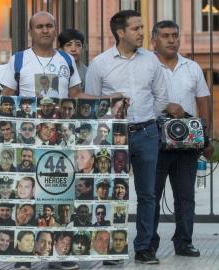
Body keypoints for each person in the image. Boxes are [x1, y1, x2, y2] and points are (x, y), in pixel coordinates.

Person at [85, 10, 172, 264]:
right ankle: (111, 248)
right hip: (113, 136)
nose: (142, 33)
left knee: (148, 193)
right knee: (111, 193)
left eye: (142, 27)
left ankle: (144, 248)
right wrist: (112, 106)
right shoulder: (100, 63)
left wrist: (145, 119)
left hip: (146, 132)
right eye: (136, 28)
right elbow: (92, 103)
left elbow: (162, 98)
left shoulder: (152, 61)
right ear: (120, 32)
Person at [1, 10, 83, 270]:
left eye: (50, 26)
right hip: (26, 141)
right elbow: (5, 100)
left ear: (55, 29)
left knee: (59, 195)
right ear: (31, 31)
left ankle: (59, 253)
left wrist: (112, 101)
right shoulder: (18, 61)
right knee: (26, 196)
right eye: (40, 27)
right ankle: (24, 254)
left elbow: (76, 97)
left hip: (60, 142)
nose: (45, 30)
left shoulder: (67, 60)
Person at [150, 20, 212, 258]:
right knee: (151, 196)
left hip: (187, 144)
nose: (172, 40)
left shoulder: (192, 67)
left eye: (175, 35)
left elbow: (204, 101)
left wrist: (205, 139)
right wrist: (166, 105)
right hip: (155, 141)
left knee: (186, 196)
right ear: (154, 40)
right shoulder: (148, 66)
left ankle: (184, 242)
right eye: (166, 35)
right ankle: (149, 244)